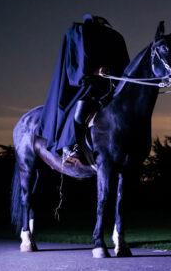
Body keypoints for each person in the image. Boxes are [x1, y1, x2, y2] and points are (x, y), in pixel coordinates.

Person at [37, 14, 130, 162]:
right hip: (87, 84)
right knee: (80, 107)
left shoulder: (112, 37)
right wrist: (94, 71)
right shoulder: (79, 35)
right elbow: (76, 65)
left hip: (110, 83)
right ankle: (71, 145)